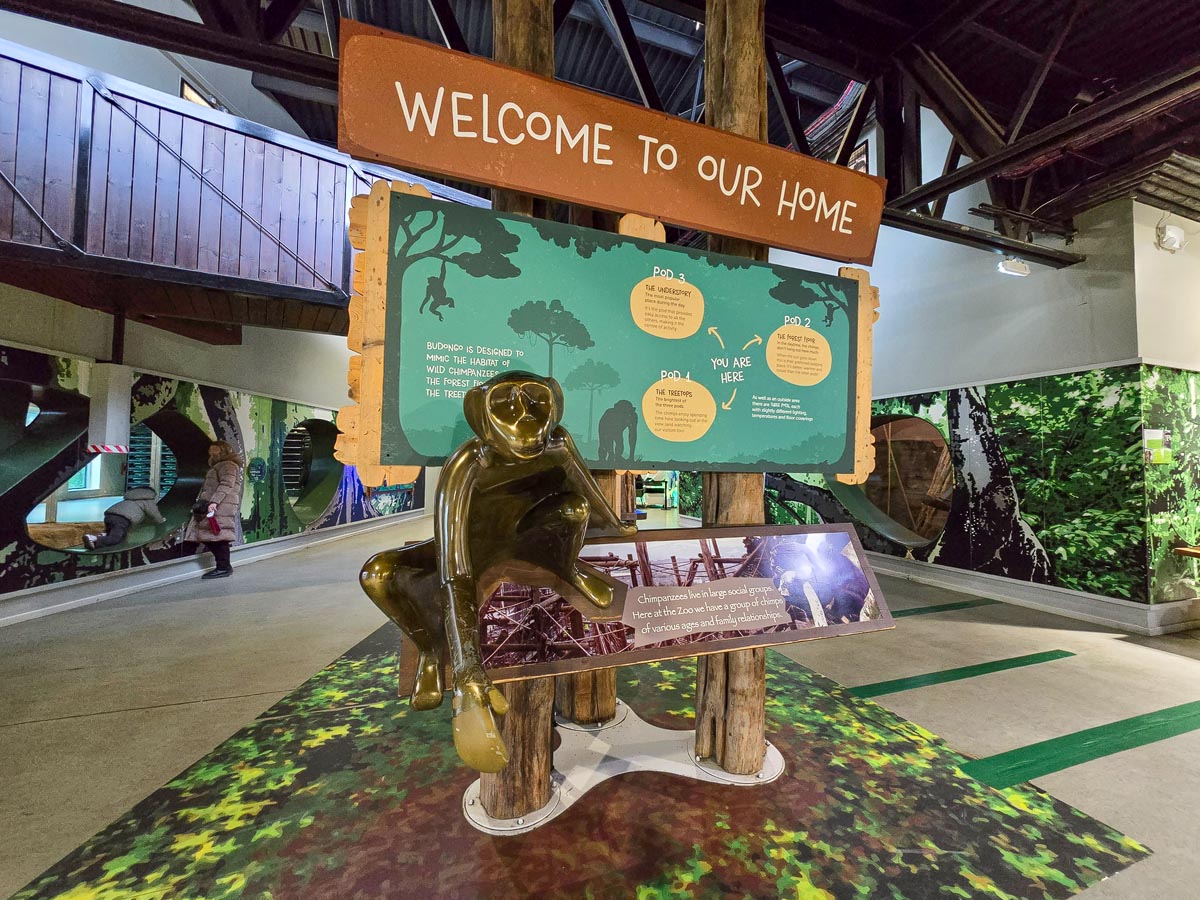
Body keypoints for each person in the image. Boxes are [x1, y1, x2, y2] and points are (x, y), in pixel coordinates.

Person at [183, 440, 246, 579]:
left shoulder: (228, 465)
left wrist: (214, 502)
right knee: (214, 535)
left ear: (224, 451)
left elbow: (226, 484)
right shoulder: (221, 465)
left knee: (218, 536)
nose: (212, 453)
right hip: (217, 504)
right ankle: (224, 567)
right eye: (211, 450)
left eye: (215, 450)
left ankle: (223, 567)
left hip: (220, 506)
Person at [83, 486, 165, 550]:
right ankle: (93, 539)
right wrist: (161, 521)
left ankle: (102, 536)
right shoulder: (147, 500)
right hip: (122, 519)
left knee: (115, 533)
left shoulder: (129, 499)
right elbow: (154, 513)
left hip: (109, 515)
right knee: (116, 539)